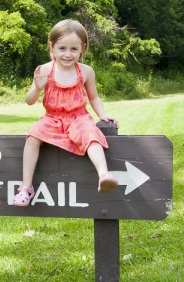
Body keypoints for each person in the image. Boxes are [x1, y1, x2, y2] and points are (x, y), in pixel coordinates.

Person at [12, 19, 119, 207]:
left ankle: (103, 174)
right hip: (52, 118)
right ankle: (26, 187)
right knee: (32, 138)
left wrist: (102, 114)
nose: (68, 54)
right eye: (62, 48)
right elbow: (29, 101)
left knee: (91, 135)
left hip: (79, 117)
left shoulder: (86, 71)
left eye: (74, 49)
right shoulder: (44, 70)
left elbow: (93, 97)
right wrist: (37, 88)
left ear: (82, 49)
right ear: (52, 47)